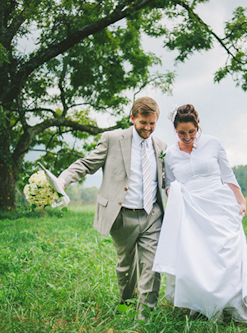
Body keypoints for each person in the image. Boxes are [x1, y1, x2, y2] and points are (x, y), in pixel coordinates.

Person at [152, 104, 247, 322]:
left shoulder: (213, 143)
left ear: (198, 126)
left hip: (219, 204)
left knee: (227, 254)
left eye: (191, 132)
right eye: (181, 133)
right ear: (175, 130)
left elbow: (227, 172)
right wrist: (174, 194)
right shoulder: (170, 154)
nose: (187, 137)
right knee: (200, 258)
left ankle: (235, 304)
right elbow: (170, 185)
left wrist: (240, 199)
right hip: (192, 211)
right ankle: (205, 304)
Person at [58, 97, 167, 319]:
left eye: (152, 124)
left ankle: (144, 317)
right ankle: (125, 304)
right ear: (132, 118)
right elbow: (87, 164)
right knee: (126, 266)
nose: (147, 128)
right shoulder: (112, 139)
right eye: (143, 122)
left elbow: (167, 178)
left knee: (152, 266)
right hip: (122, 215)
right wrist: (63, 180)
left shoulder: (161, 146)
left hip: (152, 215)